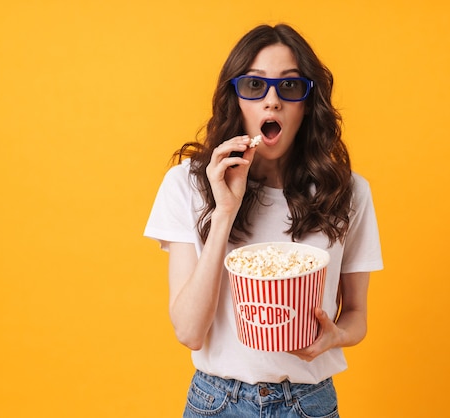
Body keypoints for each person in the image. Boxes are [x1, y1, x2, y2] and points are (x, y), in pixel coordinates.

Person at [145, 23, 383, 418]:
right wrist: (224, 212)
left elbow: (357, 314)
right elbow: (188, 332)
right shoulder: (189, 184)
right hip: (216, 403)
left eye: (289, 87)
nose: (271, 101)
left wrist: (335, 336)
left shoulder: (349, 192)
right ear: (235, 99)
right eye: (255, 86)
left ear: (308, 103)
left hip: (310, 402)